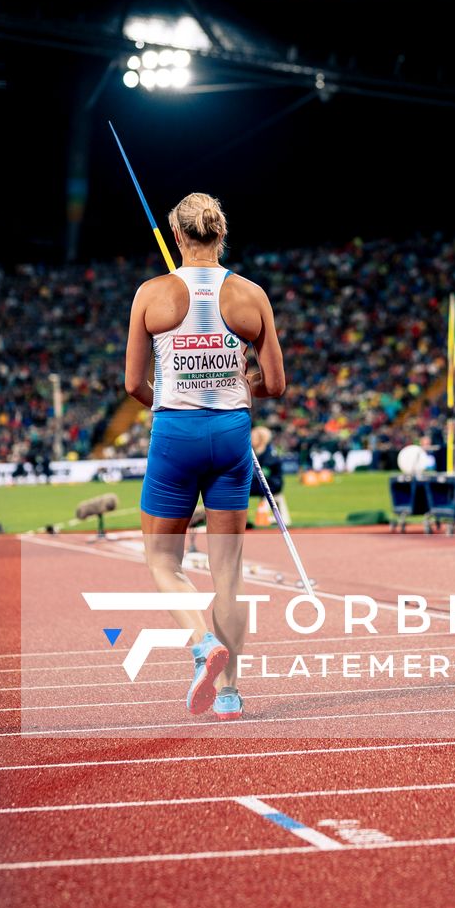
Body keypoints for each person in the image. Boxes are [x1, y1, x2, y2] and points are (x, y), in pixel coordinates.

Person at [124, 191, 285, 721]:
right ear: (220, 234)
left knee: (164, 560)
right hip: (232, 434)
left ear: (177, 237)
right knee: (229, 576)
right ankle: (232, 695)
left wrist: (170, 403)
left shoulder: (151, 294)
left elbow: (132, 384)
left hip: (175, 431)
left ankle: (200, 644)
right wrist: (241, 384)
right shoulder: (251, 294)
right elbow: (276, 384)